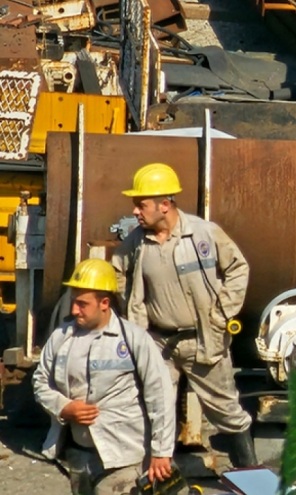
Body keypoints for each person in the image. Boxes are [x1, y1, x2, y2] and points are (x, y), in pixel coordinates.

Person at [111, 163, 257, 467]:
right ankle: (160, 475)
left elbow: (238, 268)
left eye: (141, 205)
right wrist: (133, 310)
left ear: (164, 205)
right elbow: (118, 272)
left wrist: (222, 313)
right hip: (158, 343)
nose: (136, 212)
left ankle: (249, 471)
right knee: (156, 407)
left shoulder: (203, 233)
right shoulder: (137, 241)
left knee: (225, 409)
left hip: (202, 341)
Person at [33, 259, 176, 495]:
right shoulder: (61, 337)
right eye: (73, 301)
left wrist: (161, 452)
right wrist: (64, 407)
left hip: (124, 458)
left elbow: (160, 396)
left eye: (82, 304)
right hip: (79, 454)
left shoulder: (134, 339)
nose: (74, 310)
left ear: (105, 303)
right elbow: (40, 382)